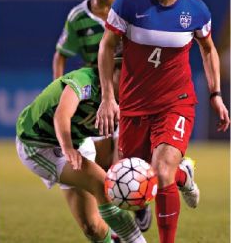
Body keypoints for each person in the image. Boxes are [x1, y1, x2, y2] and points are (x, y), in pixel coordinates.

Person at [95, 0, 230, 242]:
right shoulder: (127, 2)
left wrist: (215, 93)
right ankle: (184, 175)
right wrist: (108, 98)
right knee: (138, 174)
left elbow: (208, 48)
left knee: (161, 171)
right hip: (134, 106)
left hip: (175, 103)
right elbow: (107, 46)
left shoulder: (196, 10)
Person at [52, 0, 152, 232]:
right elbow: (60, 55)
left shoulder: (130, 8)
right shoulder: (78, 16)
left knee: (125, 157)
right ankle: (122, 214)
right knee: (103, 164)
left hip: (131, 93)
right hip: (96, 96)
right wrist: (59, 89)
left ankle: (138, 201)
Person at [16, 56, 147, 243]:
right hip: (39, 146)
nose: (128, 82)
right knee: (103, 184)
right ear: (109, 70)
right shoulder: (85, 80)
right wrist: (68, 148)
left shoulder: (128, 100)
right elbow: (62, 115)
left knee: (92, 227)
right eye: (123, 74)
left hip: (78, 142)